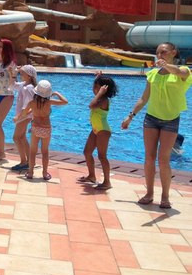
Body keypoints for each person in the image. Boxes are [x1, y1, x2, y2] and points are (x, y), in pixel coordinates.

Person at [122, 42, 191, 209]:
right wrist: (130, 116)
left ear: (173, 52)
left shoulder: (184, 71)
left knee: (164, 159)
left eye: (164, 52)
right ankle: (149, 193)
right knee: (149, 158)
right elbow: (144, 98)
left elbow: (178, 72)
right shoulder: (152, 74)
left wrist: (166, 65)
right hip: (151, 119)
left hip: (170, 119)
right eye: (158, 52)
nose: (160, 55)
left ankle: (165, 196)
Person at [15, 80, 68, 181]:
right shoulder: (49, 102)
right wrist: (57, 93)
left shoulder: (32, 103)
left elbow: (24, 114)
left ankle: (30, 172)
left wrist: (22, 115)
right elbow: (65, 101)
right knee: (45, 152)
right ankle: (44, 173)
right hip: (46, 128)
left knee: (32, 151)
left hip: (35, 128)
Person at [78, 74, 118, 190]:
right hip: (96, 129)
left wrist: (100, 93)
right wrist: (98, 78)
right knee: (87, 152)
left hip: (103, 131)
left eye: (96, 87)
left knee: (102, 156)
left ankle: (107, 182)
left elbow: (91, 106)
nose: (93, 89)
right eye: (94, 86)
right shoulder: (99, 98)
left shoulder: (103, 100)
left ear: (103, 89)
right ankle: (91, 176)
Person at [10, 64, 37, 171]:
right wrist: (13, 74)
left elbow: (27, 106)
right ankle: (30, 161)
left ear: (29, 75)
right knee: (22, 137)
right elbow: (12, 86)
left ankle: (24, 162)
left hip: (25, 116)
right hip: (24, 115)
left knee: (16, 137)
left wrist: (18, 117)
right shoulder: (24, 85)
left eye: (22, 73)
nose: (20, 74)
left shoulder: (29, 88)